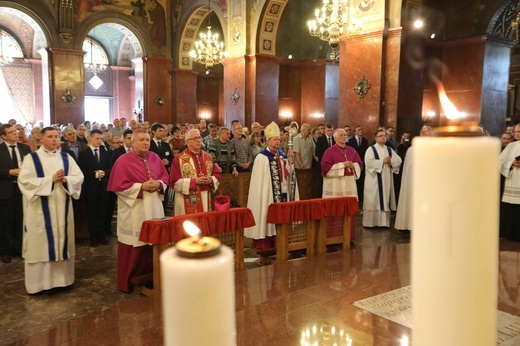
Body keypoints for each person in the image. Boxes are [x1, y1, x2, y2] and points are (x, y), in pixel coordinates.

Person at [18, 127, 84, 294]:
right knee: (41, 242)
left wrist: (65, 180)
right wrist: (50, 180)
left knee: (62, 239)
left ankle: (64, 281)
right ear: (41, 138)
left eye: (56, 136)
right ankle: (39, 285)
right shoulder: (31, 159)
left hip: (62, 205)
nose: (55, 140)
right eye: (50, 136)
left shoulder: (66, 157)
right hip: (40, 208)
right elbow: (24, 181)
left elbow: (79, 177)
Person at [107, 129, 168, 292]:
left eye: (147, 140)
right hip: (135, 209)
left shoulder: (155, 158)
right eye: (141, 140)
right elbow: (118, 187)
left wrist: (159, 184)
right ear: (132, 142)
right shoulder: (123, 161)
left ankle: (154, 276)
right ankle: (129, 281)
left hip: (154, 205)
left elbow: (165, 177)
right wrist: (141, 186)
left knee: (154, 243)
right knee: (136, 244)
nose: (145, 143)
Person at [245, 121, 298, 262]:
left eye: (279, 139)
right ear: (267, 140)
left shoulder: (282, 154)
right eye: (275, 139)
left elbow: (288, 173)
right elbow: (260, 182)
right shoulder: (262, 157)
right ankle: (266, 248)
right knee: (268, 215)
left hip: (283, 192)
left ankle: (282, 243)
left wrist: (289, 162)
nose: (278, 141)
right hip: (268, 194)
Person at [321, 128, 363, 240]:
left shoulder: (352, 151)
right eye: (341, 135)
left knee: (348, 211)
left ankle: (348, 236)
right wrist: (342, 165)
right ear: (335, 138)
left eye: (344, 135)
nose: (344, 137)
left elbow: (360, 164)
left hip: (349, 184)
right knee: (334, 210)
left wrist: (354, 166)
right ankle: (333, 237)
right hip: (335, 185)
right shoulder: (329, 152)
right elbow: (325, 169)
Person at [0, 124, 32, 263]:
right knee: (6, 222)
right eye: (11, 132)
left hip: (23, 189)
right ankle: (6, 251)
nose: (16, 133)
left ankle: (19, 247)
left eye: (16, 131)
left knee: (21, 219)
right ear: (4, 136)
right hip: (5, 190)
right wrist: (9, 172)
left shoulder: (24, 148)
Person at [170, 129, 221, 215]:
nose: (198, 140)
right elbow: (174, 183)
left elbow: (216, 174)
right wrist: (195, 181)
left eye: (199, 137)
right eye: (194, 138)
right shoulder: (179, 159)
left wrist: (211, 179)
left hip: (206, 195)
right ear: (187, 142)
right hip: (187, 198)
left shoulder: (208, 157)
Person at [78, 129, 111, 247]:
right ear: (90, 138)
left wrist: (104, 172)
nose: (99, 141)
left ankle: (101, 236)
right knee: (92, 213)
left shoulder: (106, 153)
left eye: (101, 139)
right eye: (97, 138)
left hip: (103, 187)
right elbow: (81, 171)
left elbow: (110, 168)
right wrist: (94, 174)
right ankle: (93, 237)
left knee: (102, 212)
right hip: (90, 187)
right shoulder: (83, 154)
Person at [395, 125, 431, 231]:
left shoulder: (434, 149)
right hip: (415, 182)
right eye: (427, 134)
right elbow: (411, 167)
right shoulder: (412, 149)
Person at [362, 129, 402, 228]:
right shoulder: (371, 149)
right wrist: (382, 161)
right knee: (373, 198)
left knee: (385, 197)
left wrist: (391, 162)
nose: (383, 137)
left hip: (386, 178)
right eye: (380, 135)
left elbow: (398, 160)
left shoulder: (389, 149)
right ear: (376, 138)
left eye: (384, 135)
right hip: (374, 178)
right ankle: (370, 223)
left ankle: (383, 223)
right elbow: (368, 162)